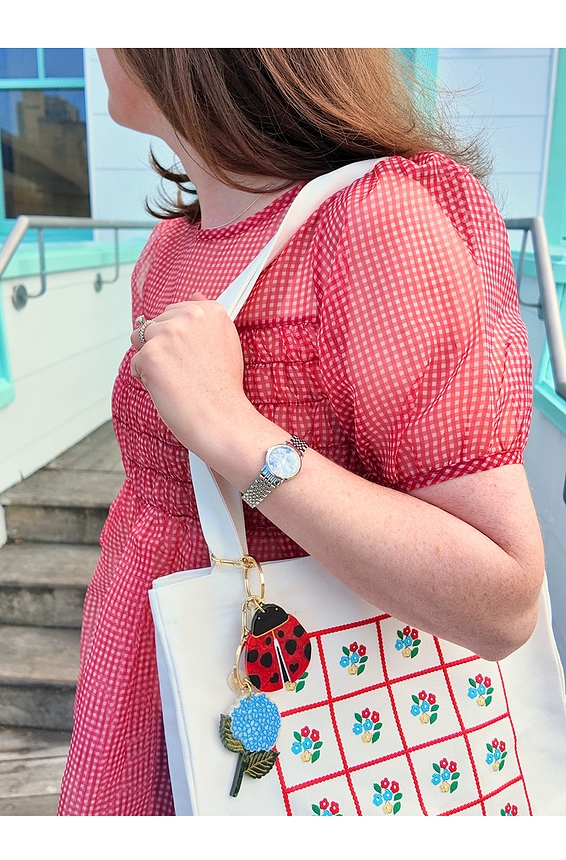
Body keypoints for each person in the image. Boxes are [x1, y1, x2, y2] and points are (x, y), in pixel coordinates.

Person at [58, 48, 544, 816]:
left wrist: (233, 431)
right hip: (152, 675)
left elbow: (503, 601)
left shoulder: (380, 221)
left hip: (321, 714)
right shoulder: (167, 253)